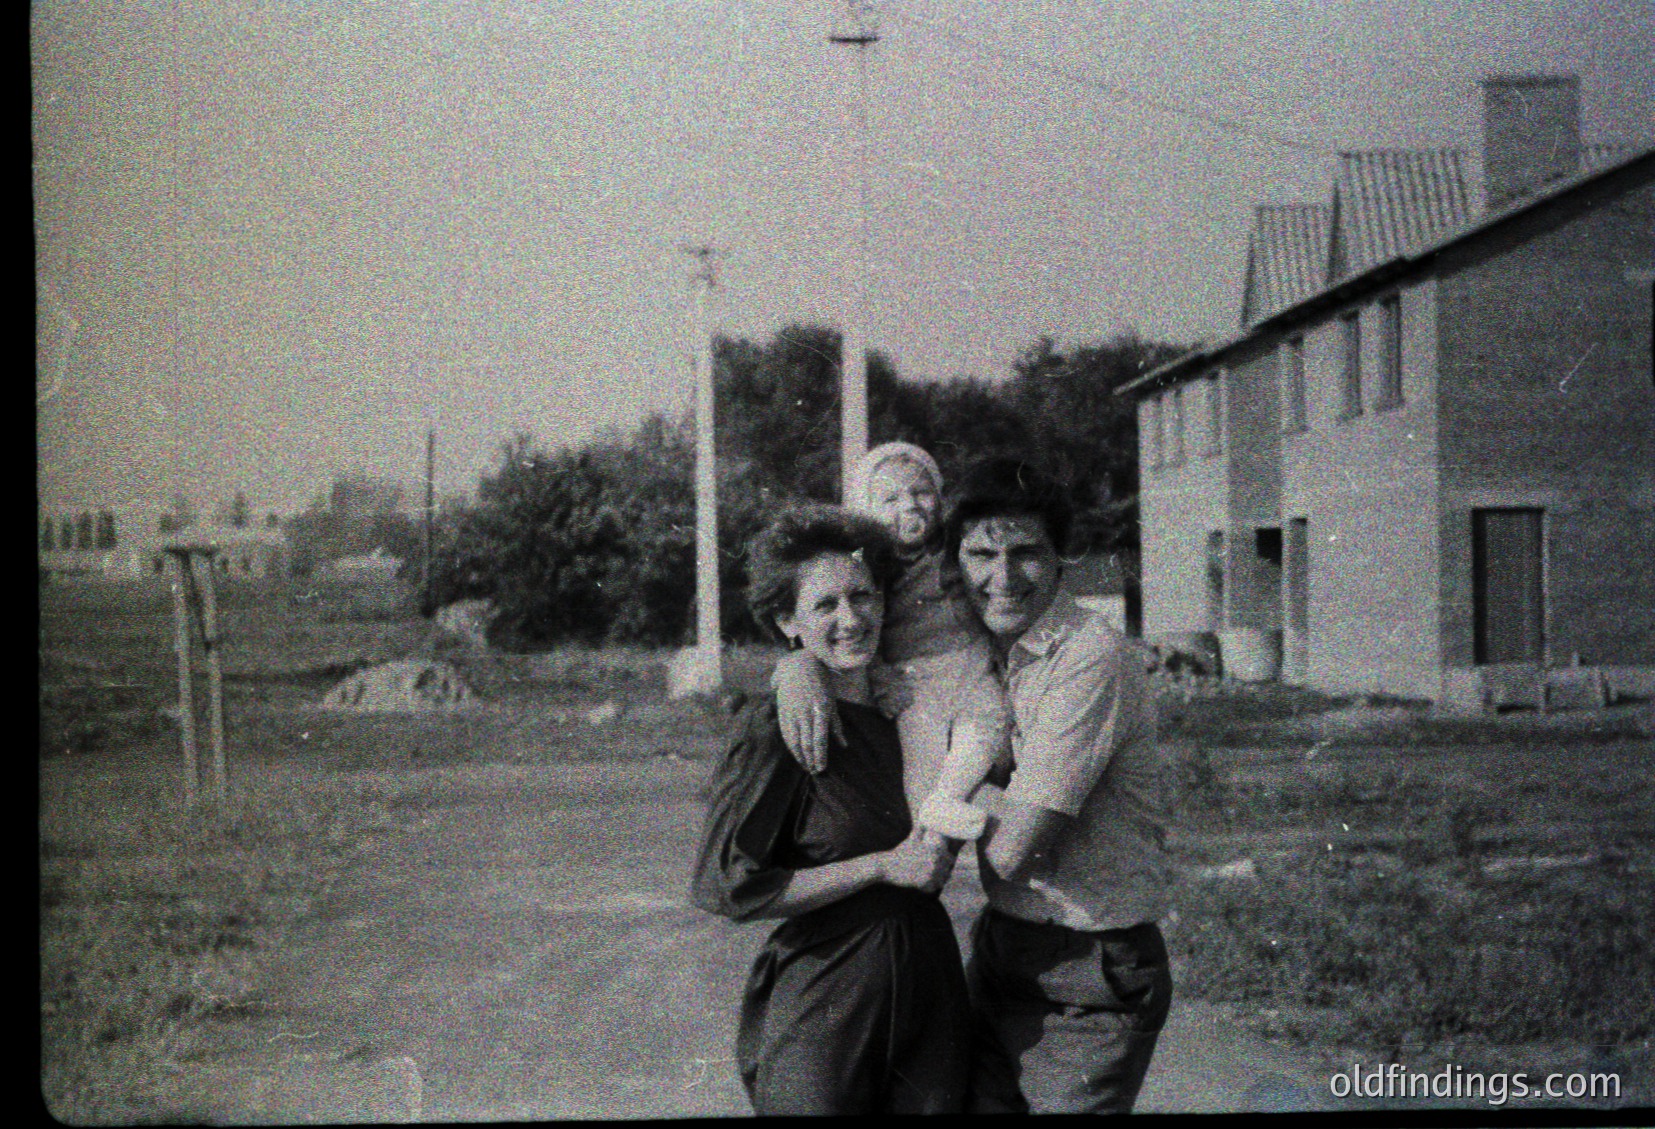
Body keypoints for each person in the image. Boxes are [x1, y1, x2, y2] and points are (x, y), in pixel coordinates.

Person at [688, 505, 972, 1115]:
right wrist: (879, 867)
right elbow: (728, 887)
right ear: (788, 621)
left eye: (863, 596)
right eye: (825, 606)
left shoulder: (911, 713)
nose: (852, 619)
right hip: (827, 995)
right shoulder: (779, 726)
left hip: (930, 987)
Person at [946, 456, 1175, 1115]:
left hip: (1089, 968)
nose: (1001, 576)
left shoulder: (1087, 654)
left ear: (1059, 557)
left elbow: (1014, 851)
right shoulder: (983, 644)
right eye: (980, 553)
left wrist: (947, 794)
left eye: (1025, 552)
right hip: (1003, 947)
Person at [775, 441, 1009, 841]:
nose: (911, 505)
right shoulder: (870, 568)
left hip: (973, 667)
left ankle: (948, 801)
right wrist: (879, 673)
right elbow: (863, 631)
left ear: (940, 498)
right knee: (921, 754)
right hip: (915, 680)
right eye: (890, 499)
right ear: (867, 511)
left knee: (987, 732)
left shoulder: (961, 548)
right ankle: (926, 829)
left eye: (921, 492)